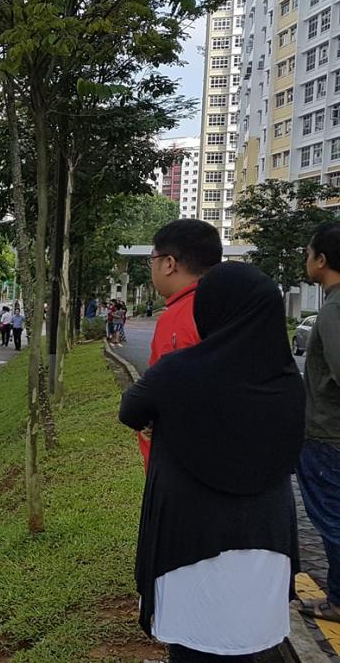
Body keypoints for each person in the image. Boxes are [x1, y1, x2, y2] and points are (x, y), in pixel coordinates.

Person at [118, 262, 302, 659]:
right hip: (265, 542)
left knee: (192, 649)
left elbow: (131, 410)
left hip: (190, 544)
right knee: (248, 648)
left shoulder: (177, 373)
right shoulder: (288, 382)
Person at [138, 219, 223, 471]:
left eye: (151, 260)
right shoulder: (230, 305)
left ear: (168, 263)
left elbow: (172, 396)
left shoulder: (179, 316)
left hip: (182, 469)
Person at [296, 222, 340, 624]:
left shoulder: (333, 310)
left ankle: (338, 601)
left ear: (322, 260)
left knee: (333, 521)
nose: (306, 259)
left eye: (309, 253)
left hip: (328, 438)